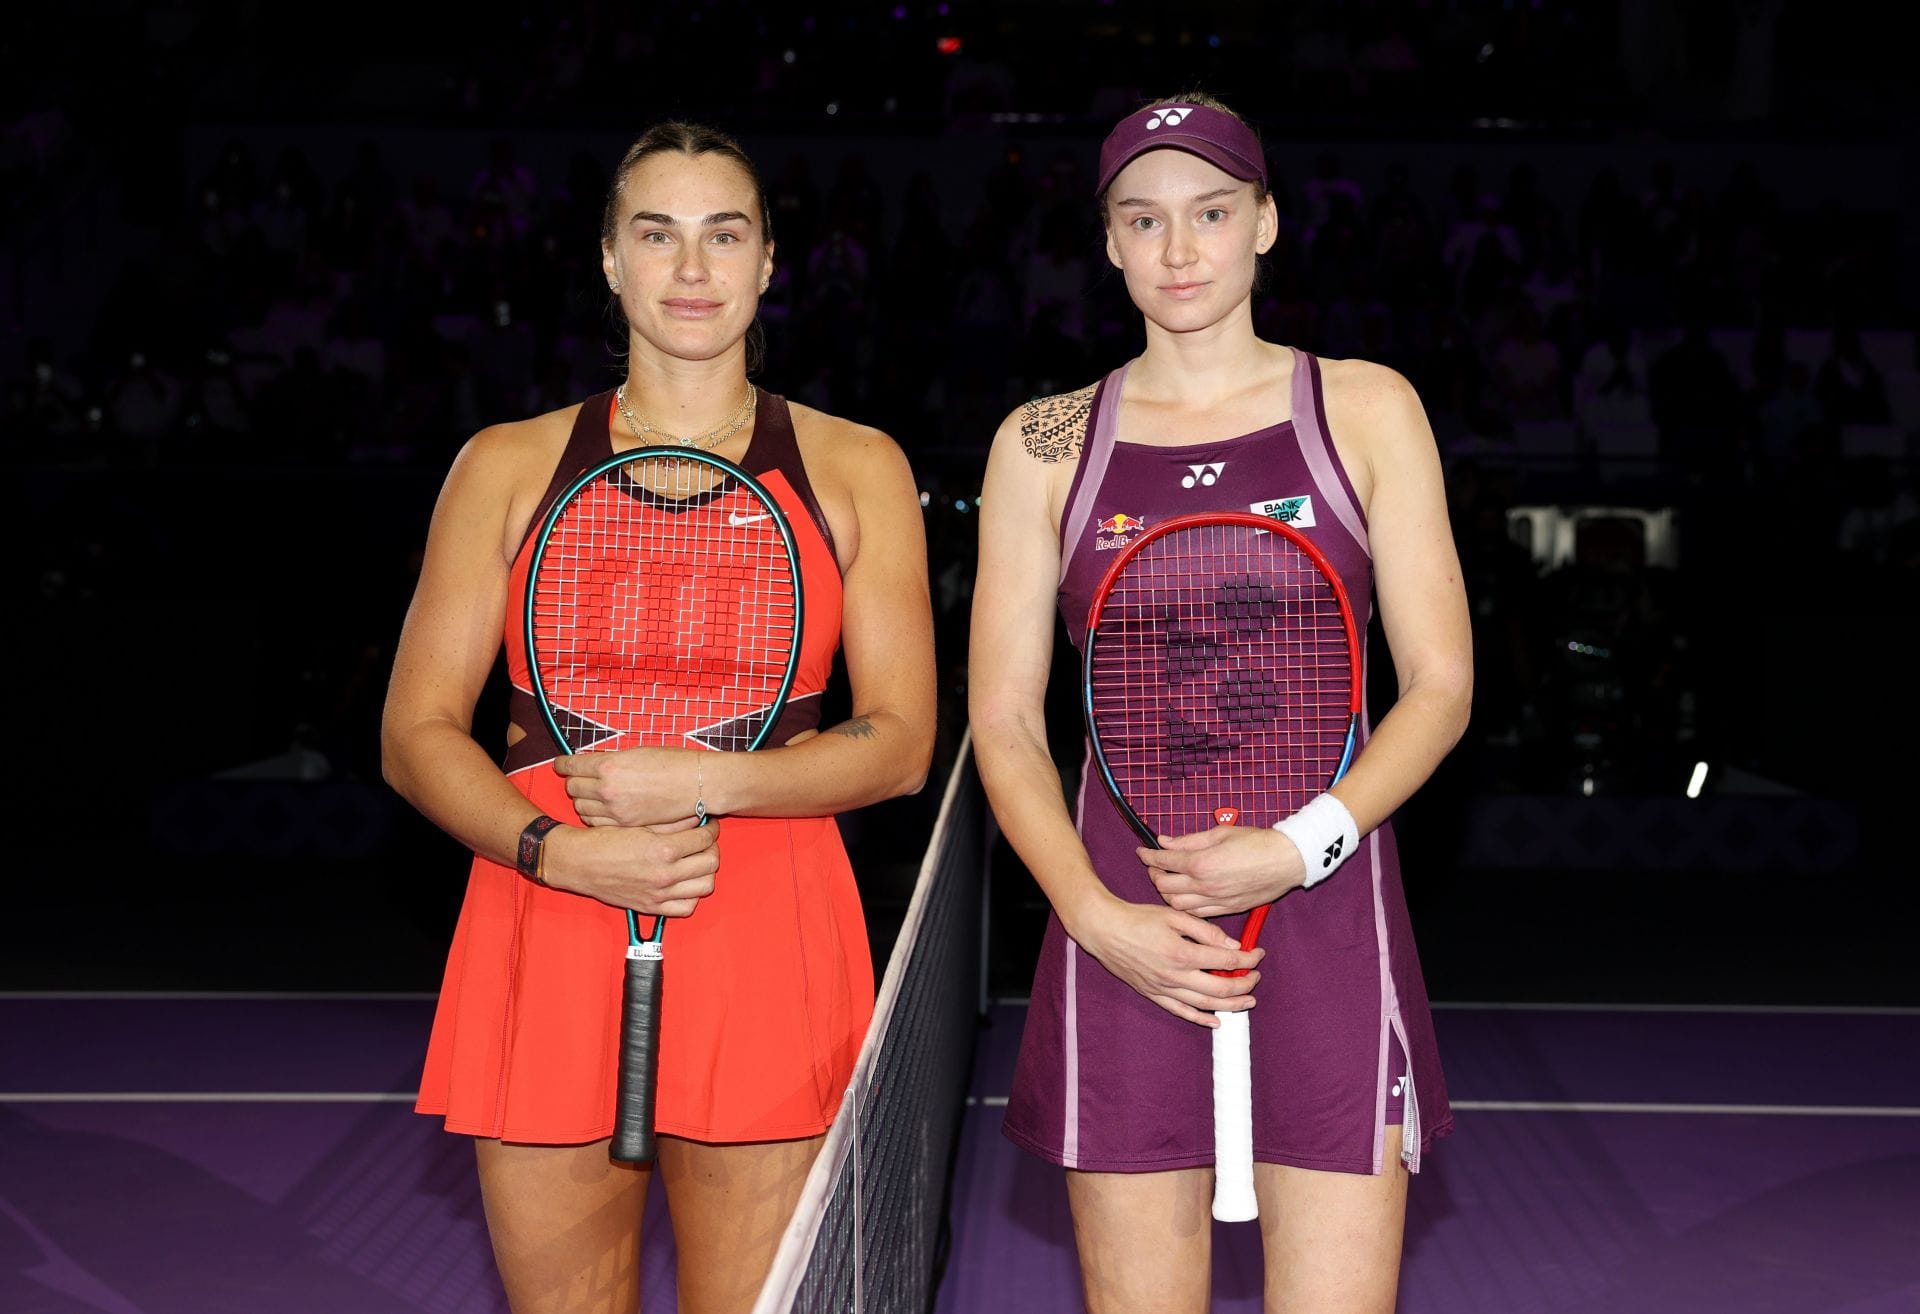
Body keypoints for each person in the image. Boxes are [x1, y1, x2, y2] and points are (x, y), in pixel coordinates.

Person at [381, 120, 936, 1314]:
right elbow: (416, 730)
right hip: (547, 910)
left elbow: (900, 745)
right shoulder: (508, 461)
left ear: (769, 262)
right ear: (610, 262)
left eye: (723, 235)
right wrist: (565, 850)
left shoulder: (854, 466)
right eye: (659, 235)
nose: (693, 269)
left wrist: (702, 786)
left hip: (766, 916)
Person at [970, 95, 1472, 1313]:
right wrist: (1098, 917)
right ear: (1108, 243)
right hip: (1123, 932)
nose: (1179, 249)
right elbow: (1004, 720)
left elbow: (1443, 687)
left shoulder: (1365, 407)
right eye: (1144, 220)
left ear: (1266, 224)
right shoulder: (1042, 442)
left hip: (1326, 914)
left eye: (1209, 213)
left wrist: (1297, 849)